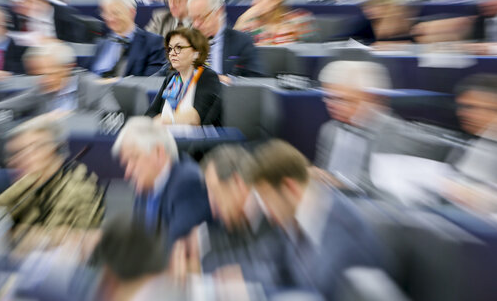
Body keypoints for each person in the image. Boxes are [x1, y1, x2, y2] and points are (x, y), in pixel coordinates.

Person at [248, 139, 385, 299]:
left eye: (266, 197)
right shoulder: (295, 214)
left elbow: (325, 293)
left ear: (289, 188)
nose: (267, 211)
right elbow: (277, 266)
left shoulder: (344, 231)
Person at [315, 60, 454, 190]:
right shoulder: (330, 129)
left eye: (341, 99)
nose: (331, 105)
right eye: (328, 97)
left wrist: (336, 180)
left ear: (368, 97)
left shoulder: (394, 133)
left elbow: (384, 185)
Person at [172, 145, 281, 282]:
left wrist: (199, 268)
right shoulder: (239, 216)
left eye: (215, 192)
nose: (213, 208)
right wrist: (200, 241)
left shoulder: (272, 211)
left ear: (237, 183)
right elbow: (229, 242)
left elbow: (264, 268)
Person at [0, 113, 104, 237]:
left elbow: (63, 239)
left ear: (55, 150)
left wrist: (9, 235)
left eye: (34, 149)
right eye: (14, 153)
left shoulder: (78, 186)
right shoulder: (29, 182)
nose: (19, 159)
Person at [112, 117, 211, 243]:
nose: (128, 172)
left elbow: (177, 249)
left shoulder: (189, 183)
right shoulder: (145, 185)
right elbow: (136, 241)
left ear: (159, 153)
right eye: (126, 163)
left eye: (134, 158)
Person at [145, 27, 222, 126]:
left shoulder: (207, 77)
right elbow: (151, 113)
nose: (172, 53)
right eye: (170, 48)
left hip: (197, 139)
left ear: (196, 53)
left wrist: (164, 121)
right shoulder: (171, 78)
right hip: (167, 136)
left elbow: (194, 118)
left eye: (179, 48)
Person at [23, 42, 121, 116]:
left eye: (51, 74)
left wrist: (72, 119)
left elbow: (112, 119)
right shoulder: (41, 88)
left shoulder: (94, 87)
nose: (45, 80)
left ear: (67, 68)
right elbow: (9, 106)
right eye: (40, 75)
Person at [187, 0, 264, 79]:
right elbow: (167, 73)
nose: (196, 25)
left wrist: (230, 81)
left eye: (201, 18)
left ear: (218, 12)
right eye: (192, 19)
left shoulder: (241, 42)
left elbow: (257, 80)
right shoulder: (187, 41)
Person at [89, 0, 165, 77]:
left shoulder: (153, 43)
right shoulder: (101, 44)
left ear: (132, 12)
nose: (110, 18)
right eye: (107, 14)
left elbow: (151, 82)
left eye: (116, 13)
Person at [234, 0, 316, 45]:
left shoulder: (299, 21)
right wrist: (241, 19)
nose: (253, 3)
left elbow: (313, 51)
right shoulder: (250, 26)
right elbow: (231, 50)